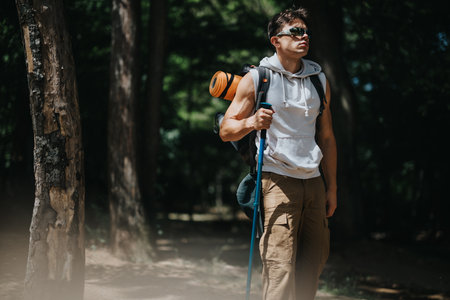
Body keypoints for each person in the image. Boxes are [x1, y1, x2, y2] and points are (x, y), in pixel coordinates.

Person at [219, 7, 337, 300]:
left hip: (313, 182)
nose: (304, 36)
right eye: (296, 32)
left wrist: (331, 186)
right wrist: (251, 122)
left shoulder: (318, 80)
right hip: (276, 182)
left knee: (312, 267)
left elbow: (327, 137)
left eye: (306, 31)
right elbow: (226, 130)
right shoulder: (258, 78)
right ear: (275, 40)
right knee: (280, 270)